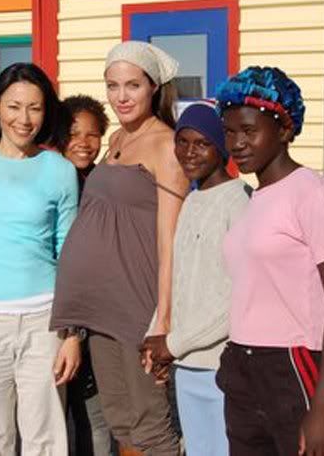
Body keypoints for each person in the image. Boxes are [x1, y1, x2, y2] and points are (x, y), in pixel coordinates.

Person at [52, 41, 188, 456]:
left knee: (152, 424)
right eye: (113, 85)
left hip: (139, 308)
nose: (121, 96)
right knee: (120, 421)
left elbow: (170, 237)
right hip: (101, 310)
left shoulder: (167, 144)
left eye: (132, 85)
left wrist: (162, 320)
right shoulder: (115, 139)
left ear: (154, 87)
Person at [215, 67, 324, 456]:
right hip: (243, 367)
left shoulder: (310, 193)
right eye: (229, 132)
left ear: (284, 129)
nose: (238, 143)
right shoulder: (254, 199)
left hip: (292, 367)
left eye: (249, 130)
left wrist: (323, 405)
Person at [0, 63, 80, 456]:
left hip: (44, 320)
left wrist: (72, 333)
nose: (24, 119)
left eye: (35, 108)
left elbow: (69, 253)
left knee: (45, 435)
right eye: (14, 106)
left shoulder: (60, 171)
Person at [140, 104, 251, 456]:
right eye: (182, 141)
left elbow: (239, 298)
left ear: (221, 148)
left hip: (222, 364)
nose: (189, 152)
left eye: (202, 143)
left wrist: (174, 343)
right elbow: (182, 278)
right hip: (186, 364)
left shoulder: (240, 202)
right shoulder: (191, 200)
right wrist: (155, 331)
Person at [57, 95, 113, 456]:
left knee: (95, 412)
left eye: (92, 135)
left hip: (98, 315)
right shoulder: (51, 181)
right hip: (56, 313)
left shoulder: (105, 184)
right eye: (73, 133)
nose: (83, 142)